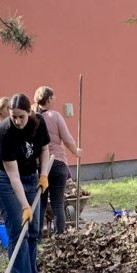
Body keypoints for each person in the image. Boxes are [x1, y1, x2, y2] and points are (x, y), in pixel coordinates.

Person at [0, 93, 50, 273]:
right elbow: (12, 175)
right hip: (4, 179)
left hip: (30, 175)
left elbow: (44, 149)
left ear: (29, 113)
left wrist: (43, 175)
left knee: (34, 229)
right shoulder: (4, 131)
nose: (17, 121)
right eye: (13, 116)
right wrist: (26, 206)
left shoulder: (39, 123)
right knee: (19, 229)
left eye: (21, 117)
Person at [35, 86, 80, 235]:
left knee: (40, 202)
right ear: (48, 99)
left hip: (41, 165)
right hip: (57, 163)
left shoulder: (33, 117)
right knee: (57, 203)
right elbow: (67, 139)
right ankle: (60, 234)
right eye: (53, 98)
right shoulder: (55, 116)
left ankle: (39, 235)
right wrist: (76, 152)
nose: (54, 100)